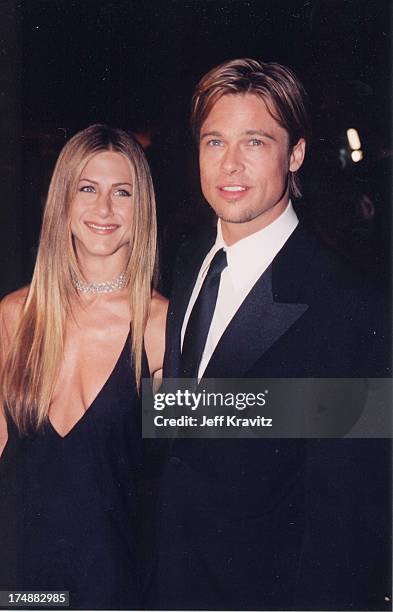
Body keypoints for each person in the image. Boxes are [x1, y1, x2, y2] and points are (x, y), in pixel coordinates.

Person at [149, 59, 392, 610]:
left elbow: (350, 531)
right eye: (214, 142)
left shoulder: (351, 307)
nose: (229, 164)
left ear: (296, 154)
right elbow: (191, 432)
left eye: (254, 142)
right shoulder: (189, 264)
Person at [0, 124, 167, 609]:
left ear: (143, 210)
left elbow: (209, 463)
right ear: (63, 202)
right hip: (21, 589)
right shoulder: (15, 316)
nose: (104, 209)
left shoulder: (162, 327)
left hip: (113, 588)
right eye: (87, 189)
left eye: (123, 192)